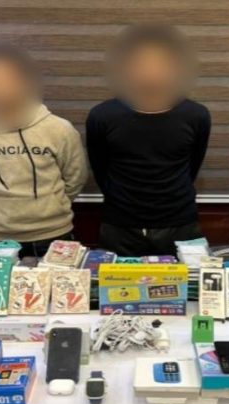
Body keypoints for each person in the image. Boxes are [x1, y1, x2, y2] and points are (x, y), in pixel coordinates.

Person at [0, 43, 88, 257]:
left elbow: (75, 177)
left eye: (5, 79)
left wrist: (50, 208)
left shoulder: (59, 129)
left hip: (52, 236)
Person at [86, 25, 211, 257]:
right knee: (114, 282)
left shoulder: (196, 115)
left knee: (187, 281)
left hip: (180, 221)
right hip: (119, 224)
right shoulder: (102, 115)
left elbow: (192, 166)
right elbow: (100, 168)